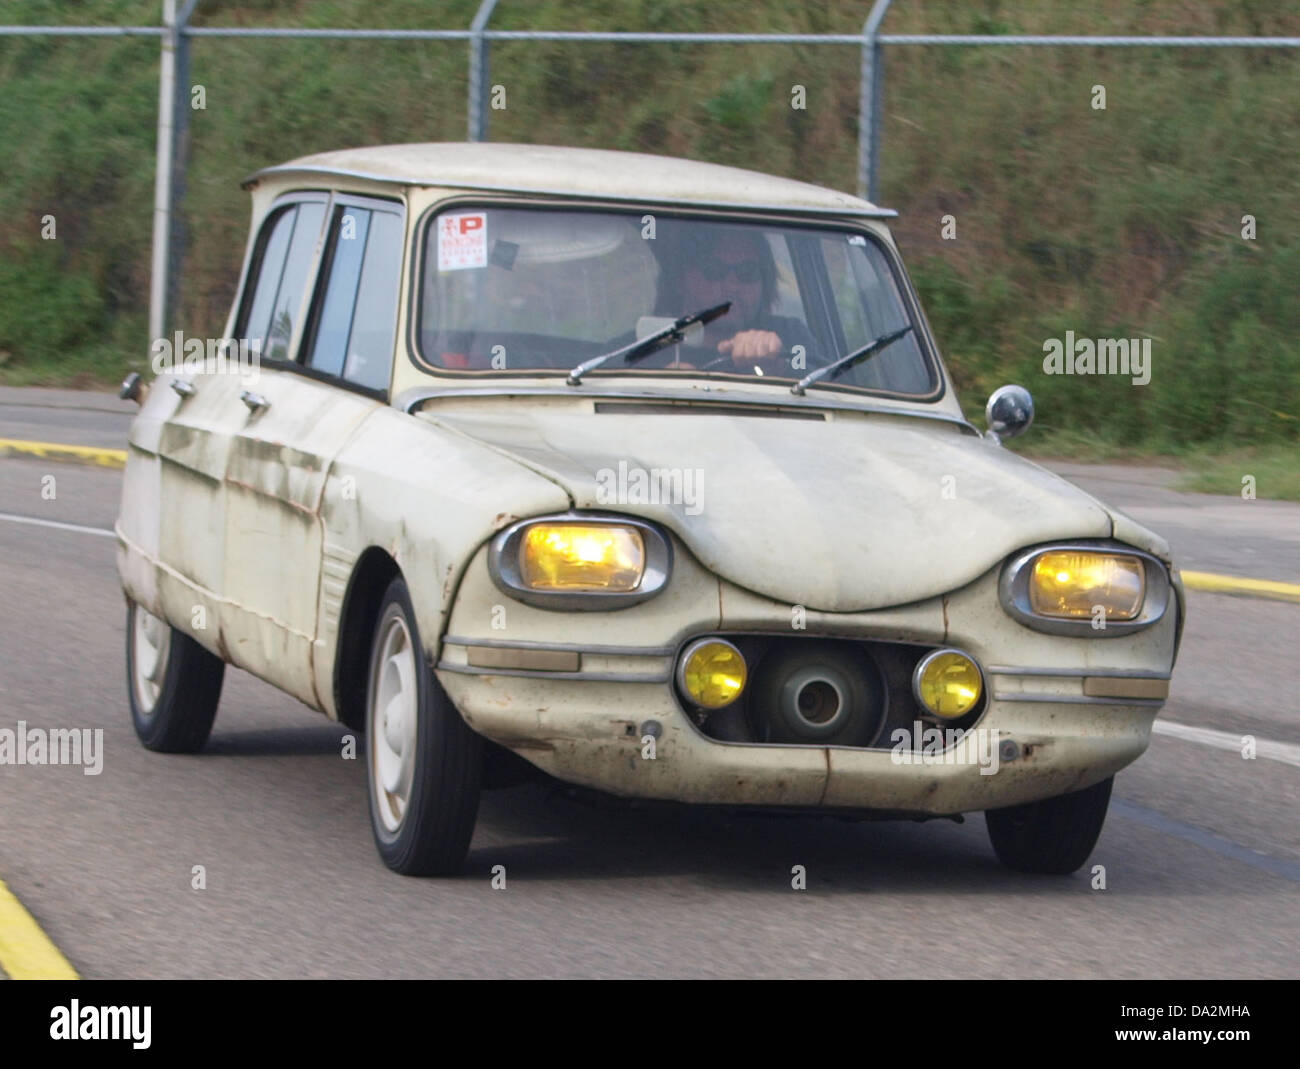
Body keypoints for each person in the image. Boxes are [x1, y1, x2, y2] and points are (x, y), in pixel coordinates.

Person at [653, 224, 814, 375]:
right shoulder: (645, 349)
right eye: (714, 270)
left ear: (764, 281)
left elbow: (830, 384)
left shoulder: (791, 335)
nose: (732, 286)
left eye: (747, 272)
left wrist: (780, 366)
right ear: (680, 280)